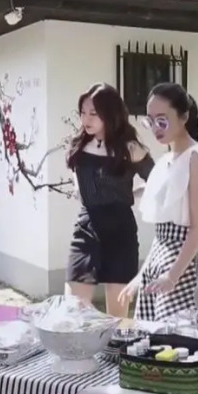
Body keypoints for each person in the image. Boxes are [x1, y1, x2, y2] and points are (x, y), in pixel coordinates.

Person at [118, 82, 198, 322]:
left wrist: (172, 276)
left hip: (183, 264)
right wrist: (141, 275)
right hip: (159, 262)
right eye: (151, 121)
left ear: (184, 117)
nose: (155, 128)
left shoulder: (195, 157)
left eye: (162, 121)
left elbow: (197, 229)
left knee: (176, 336)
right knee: (153, 338)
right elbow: (161, 236)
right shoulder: (165, 161)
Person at [66, 83, 155, 317]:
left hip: (120, 230)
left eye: (93, 113)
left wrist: (133, 195)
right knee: (73, 309)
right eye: (83, 112)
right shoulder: (79, 145)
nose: (86, 119)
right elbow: (78, 181)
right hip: (87, 227)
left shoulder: (130, 149)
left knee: (116, 318)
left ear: (109, 114)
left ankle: (114, 343)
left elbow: (158, 181)